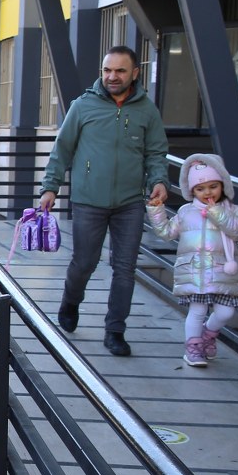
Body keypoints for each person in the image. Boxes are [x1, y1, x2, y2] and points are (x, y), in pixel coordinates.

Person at [38, 45, 168, 356]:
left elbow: (156, 153)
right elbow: (62, 149)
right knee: (84, 262)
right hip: (88, 201)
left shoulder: (147, 111)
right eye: (107, 70)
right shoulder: (83, 106)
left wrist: (159, 181)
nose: (112, 76)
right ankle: (71, 302)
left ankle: (115, 331)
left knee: (125, 268)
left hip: (130, 203)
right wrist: (50, 187)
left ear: (134, 73)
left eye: (120, 71)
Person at [146, 153, 238, 368]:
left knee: (225, 312)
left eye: (213, 186)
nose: (207, 193)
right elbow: (166, 232)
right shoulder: (186, 212)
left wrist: (217, 213)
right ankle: (193, 349)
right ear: (192, 190)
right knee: (197, 311)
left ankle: (208, 335)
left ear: (223, 185)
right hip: (194, 271)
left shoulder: (234, 211)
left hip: (223, 272)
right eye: (200, 189)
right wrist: (156, 211)